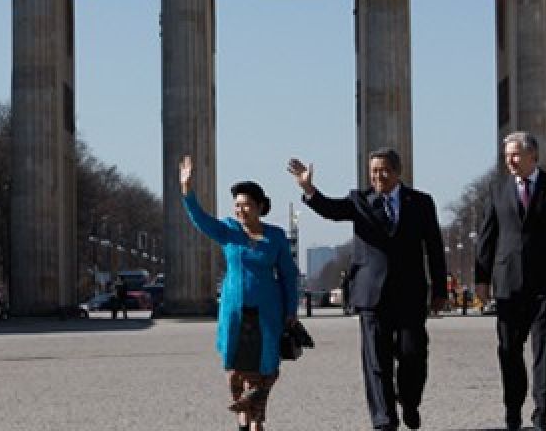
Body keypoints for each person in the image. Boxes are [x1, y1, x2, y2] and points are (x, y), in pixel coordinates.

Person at [288, 148, 447, 431]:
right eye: (373, 171)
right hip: (371, 294)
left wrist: (440, 291)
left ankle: (409, 401)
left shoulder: (421, 202)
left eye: (384, 170)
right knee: (376, 361)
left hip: (410, 292)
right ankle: (384, 420)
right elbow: (331, 210)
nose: (378, 176)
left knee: (414, 355)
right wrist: (309, 188)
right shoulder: (359, 200)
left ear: (398, 172)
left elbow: (434, 248)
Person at [180, 155, 298, 431]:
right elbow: (200, 219)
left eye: (246, 205)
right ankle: (244, 419)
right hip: (234, 310)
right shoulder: (229, 231)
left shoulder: (276, 236)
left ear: (259, 206)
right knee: (236, 369)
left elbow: (288, 276)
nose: (240, 209)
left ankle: (255, 419)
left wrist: (291, 310)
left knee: (265, 368)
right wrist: (187, 190)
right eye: (237, 205)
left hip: (267, 312)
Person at [475, 131, 546, 431]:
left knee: (545, 349)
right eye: (507, 155)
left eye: (516, 155)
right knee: (509, 349)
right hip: (507, 283)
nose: (510, 160)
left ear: (533, 155)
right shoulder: (497, 190)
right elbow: (486, 237)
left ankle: (542, 410)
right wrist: (481, 279)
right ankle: (512, 408)